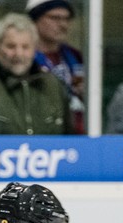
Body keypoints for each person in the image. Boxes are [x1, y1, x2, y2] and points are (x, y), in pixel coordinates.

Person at [0, 13, 72, 135]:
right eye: (11, 46)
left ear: (35, 50)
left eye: (25, 47)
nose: (19, 54)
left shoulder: (54, 86)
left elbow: (70, 137)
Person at [26, 0, 85, 133]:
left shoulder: (76, 56)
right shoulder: (25, 59)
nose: (63, 25)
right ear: (34, 20)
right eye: (55, 18)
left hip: (78, 133)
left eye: (66, 19)